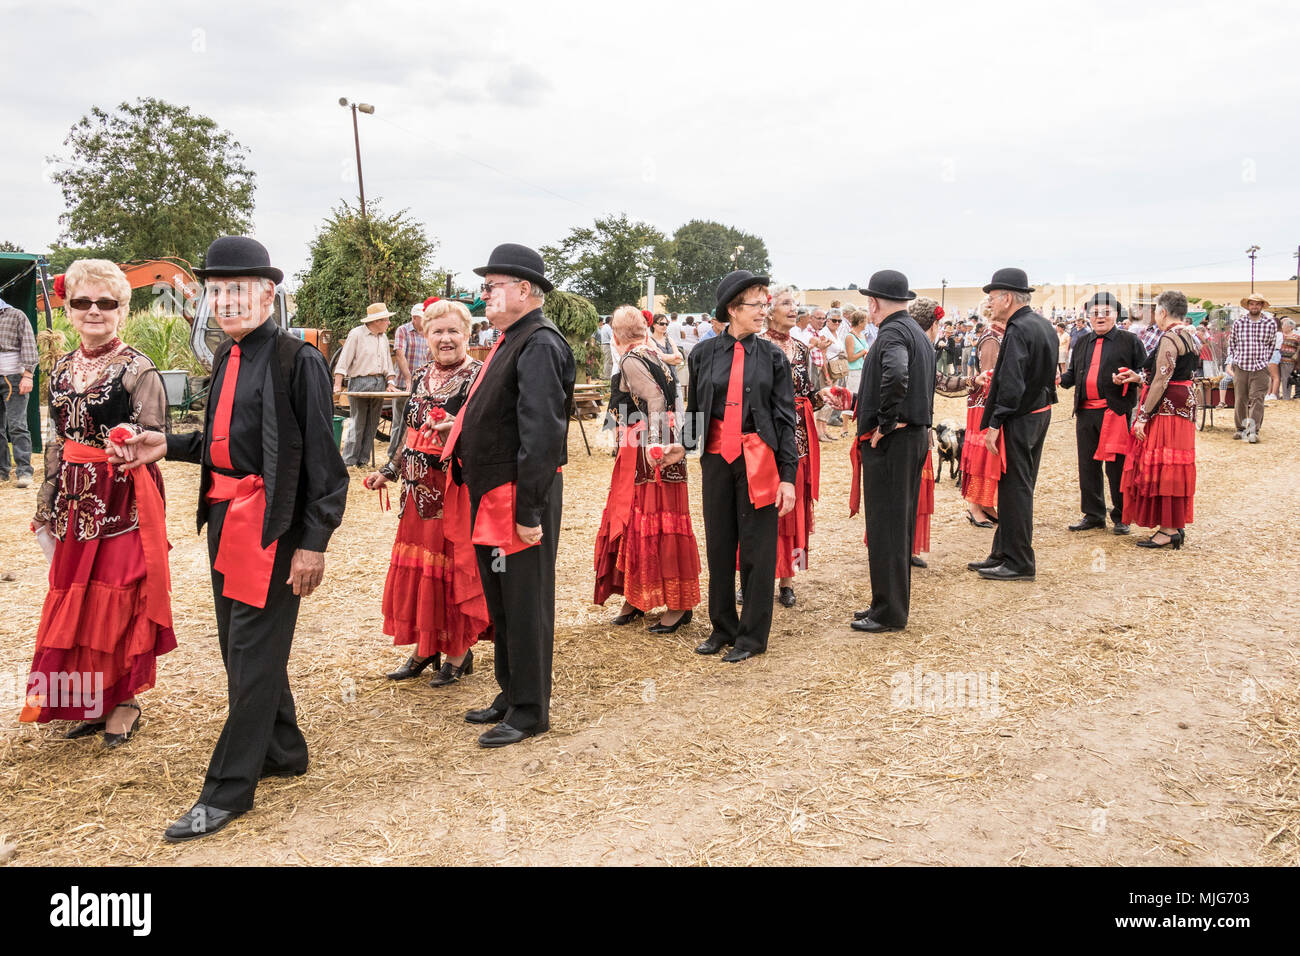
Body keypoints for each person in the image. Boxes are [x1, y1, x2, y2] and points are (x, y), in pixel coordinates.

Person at [113, 236, 348, 842]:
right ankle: (283, 748)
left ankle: (226, 790)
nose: (226, 300)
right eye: (217, 290)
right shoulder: (226, 357)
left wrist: (313, 541)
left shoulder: (300, 361)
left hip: (272, 529)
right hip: (225, 522)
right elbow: (224, 440)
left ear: (269, 294)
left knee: (250, 650)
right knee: (241, 648)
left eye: (239, 289)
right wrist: (166, 444)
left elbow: (325, 462)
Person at [21, 260, 175, 746]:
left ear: (121, 310)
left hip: (122, 494)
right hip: (72, 496)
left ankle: (124, 700)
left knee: (118, 593)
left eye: (106, 303)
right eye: (83, 302)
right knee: (79, 597)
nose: (94, 311)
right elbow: (53, 439)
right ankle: (92, 699)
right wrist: (46, 500)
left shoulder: (138, 368)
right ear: (68, 308)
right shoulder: (62, 368)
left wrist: (131, 438)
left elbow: (160, 435)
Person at [439, 243, 574, 748]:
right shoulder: (511, 338)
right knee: (502, 599)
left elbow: (541, 433)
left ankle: (530, 709)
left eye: (492, 286)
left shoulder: (537, 342)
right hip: (493, 490)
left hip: (517, 495)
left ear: (524, 290)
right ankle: (510, 692)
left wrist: (530, 510)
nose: (485, 295)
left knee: (525, 601)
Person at [367, 299, 491, 686]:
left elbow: (492, 436)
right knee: (422, 571)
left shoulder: (480, 377)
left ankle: (457, 653)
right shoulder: (419, 375)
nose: (446, 338)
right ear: (425, 336)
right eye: (437, 331)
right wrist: (388, 471)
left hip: (454, 490)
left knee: (450, 570)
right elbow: (409, 433)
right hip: (416, 493)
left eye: (454, 331)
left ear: (467, 335)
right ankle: (425, 648)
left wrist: (458, 430)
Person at [684, 270, 797, 662]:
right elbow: (694, 411)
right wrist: (680, 447)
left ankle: (751, 636)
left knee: (757, 550)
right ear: (732, 309)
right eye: (756, 305)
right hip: (716, 460)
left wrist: (788, 477)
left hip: (759, 461)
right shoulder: (702, 354)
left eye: (766, 304)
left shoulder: (773, 357)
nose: (764, 311)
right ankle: (722, 628)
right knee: (719, 547)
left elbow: (786, 420)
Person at [827, 271, 933, 633]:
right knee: (895, 527)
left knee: (888, 527)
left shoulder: (892, 332)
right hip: (909, 438)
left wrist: (886, 423)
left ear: (873, 303)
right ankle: (885, 602)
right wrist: (858, 401)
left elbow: (898, 375)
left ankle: (888, 612)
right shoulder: (913, 330)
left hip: (894, 442)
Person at [594, 305, 700, 632]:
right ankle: (637, 596)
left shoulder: (630, 358)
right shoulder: (653, 352)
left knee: (651, 517)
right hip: (655, 440)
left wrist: (653, 442)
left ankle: (678, 605)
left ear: (616, 334)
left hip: (648, 446)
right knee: (640, 518)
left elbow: (654, 399)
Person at [968, 268, 1058, 582]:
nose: (990, 303)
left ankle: (1019, 561)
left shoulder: (1019, 329)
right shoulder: (1041, 324)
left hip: (1021, 416)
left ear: (1007, 298)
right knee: (1015, 486)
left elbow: (1011, 381)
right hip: (1038, 411)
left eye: (992, 298)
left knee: (1016, 488)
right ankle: (1002, 552)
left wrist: (996, 422)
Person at [1057, 292, 1146, 536]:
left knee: (1116, 466)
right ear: (1088, 315)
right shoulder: (1083, 341)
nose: (1100, 317)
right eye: (1095, 313)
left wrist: (1131, 376)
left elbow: (1144, 371)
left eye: (1105, 312)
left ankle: (1121, 516)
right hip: (1086, 412)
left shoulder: (1129, 340)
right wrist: (1058, 379)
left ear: (1116, 314)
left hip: (1114, 412)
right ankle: (1094, 514)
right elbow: (1073, 374)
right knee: (1088, 465)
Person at [1116, 290, 1198, 549]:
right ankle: (1174, 525)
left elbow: (1162, 378)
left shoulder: (1170, 337)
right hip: (1182, 406)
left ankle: (1168, 529)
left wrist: (1142, 416)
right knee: (1175, 464)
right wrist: (1139, 378)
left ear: (1162, 312)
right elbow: (1175, 375)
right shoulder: (1190, 336)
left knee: (1164, 465)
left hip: (1166, 411)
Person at [760, 285, 822, 607]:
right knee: (763, 508)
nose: (793, 308)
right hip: (767, 438)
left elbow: (809, 390)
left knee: (795, 509)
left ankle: (787, 580)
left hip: (799, 437)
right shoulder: (756, 346)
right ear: (769, 310)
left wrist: (826, 397)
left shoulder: (802, 348)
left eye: (795, 304)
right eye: (786, 303)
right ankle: (755, 576)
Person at [333, 303, 399, 469]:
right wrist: (337, 384)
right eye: (386, 320)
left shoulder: (382, 338)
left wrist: (390, 382)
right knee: (357, 422)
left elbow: (387, 365)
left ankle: (363, 461)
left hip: (379, 382)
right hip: (360, 382)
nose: (389, 323)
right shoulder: (356, 334)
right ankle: (349, 461)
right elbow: (344, 360)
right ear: (376, 321)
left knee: (372, 423)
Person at [961, 300, 1004, 527]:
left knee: (991, 456)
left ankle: (987, 504)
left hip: (990, 405)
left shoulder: (998, 336)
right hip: (984, 406)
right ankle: (975, 506)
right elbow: (989, 378)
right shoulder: (991, 338)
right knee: (982, 455)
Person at [0, 295, 39, 488]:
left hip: (13, 378)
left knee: (16, 426)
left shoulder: (16, 315)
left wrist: (28, 375)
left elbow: (29, 345)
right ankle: (2, 472)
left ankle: (24, 472)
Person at [1227, 293, 1277, 442]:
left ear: (1261, 306)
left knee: (1258, 399)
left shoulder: (1270, 324)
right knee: (1240, 398)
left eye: (1257, 304)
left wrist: (1264, 360)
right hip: (1241, 366)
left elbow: (1271, 345)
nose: (1254, 307)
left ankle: (1253, 431)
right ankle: (1240, 429)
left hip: (1260, 367)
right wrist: (1234, 359)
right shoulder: (1239, 323)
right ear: (1248, 306)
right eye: (1252, 304)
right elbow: (1232, 343)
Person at [391, 301, 432, 455]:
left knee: (417, 422)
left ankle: (409, 453)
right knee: (399, 423)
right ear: (414, 318)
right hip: (404, 383)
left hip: (422, 385)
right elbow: (400, 355)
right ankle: (392, 455)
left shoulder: (428, 332)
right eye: (423, 318)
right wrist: (409, 378)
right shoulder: (403, 330)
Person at [844, 309, 871, 394]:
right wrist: (864, 351)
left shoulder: (862, 335)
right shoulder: (850, 337)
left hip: (863, 370)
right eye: (865, 321)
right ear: (860, 322)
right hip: (854, 372)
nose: (866, 324)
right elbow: (850, 358)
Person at [1279, 319, 1299, 400]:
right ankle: (1277, 395)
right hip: (1278, 359)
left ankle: (1286, 397)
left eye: (1284, 325)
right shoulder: (1280, 335)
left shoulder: (1296, 337)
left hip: (1289, 360)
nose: (1282, 327)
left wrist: (1296, 359)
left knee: (1286, 378)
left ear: (1290, 327)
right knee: (1277, 378)